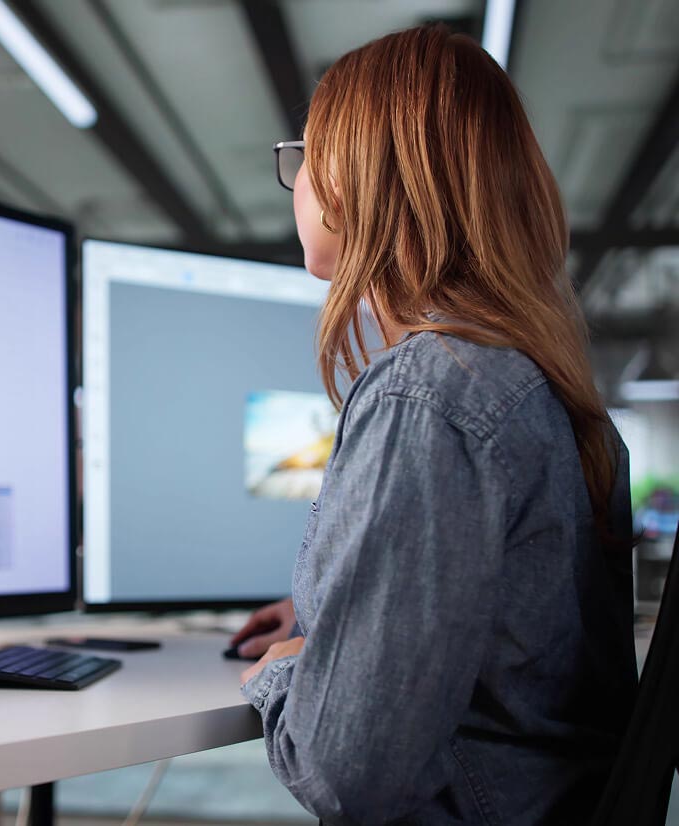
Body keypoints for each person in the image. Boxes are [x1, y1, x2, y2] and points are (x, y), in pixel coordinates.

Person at [229, 24, 637, 825]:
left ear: (352, 177)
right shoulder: (543, 387)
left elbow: (344, 768)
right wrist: (332, 618)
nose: (299, 179)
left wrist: (291, 669)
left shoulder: (426, 395)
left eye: (306, 153)